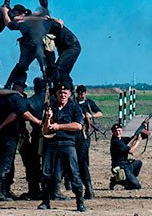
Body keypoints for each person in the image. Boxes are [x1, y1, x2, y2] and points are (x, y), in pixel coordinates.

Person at [38, 83, 86, 212]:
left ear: (69, 94)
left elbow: (78, 126)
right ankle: (45, 201)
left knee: (73, 172)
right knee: (46, 173)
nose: (62, 95)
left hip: (67, 143)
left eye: (65, 93)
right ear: (56, 94)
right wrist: (48, 118)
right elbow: (45, 131)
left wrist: (59, 126)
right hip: (51, 144)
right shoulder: (51, 108)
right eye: (60, 93)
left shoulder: (75, 108)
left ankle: (80, 202)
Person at [1, 5, 51, 90]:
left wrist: (4, 12)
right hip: (41, 46)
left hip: (29, 48)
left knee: (21, 67)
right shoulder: (42, 21)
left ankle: (8, 85)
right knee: (44, 67)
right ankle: (49, 86)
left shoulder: (24, 22)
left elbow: (10, 25)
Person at [75, 85, 102, 199]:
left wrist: (90, 115)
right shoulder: (72, 102)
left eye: (82, 93)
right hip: (72, 133)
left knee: (82, 161)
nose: (81, 95)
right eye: (79, 93)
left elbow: (100, 113)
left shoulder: (89, 103)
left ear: (85, 93)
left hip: (84, 135)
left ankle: (88, 188)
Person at [109, 122, 149, 190]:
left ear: (122, 131)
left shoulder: (122, 139)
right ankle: (122, 181)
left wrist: (143, 128)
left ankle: (125, 179)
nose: (118, 133)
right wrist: (138, 141)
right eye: (116, 131)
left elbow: (138, 137)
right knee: (137, 186)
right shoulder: (116, 142)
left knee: (138, 163)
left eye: (119, 131)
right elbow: (131, 151)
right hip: (120, 166)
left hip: (126, 164)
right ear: (113, 132)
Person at [45, 16, 81, 88]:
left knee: (59, 68)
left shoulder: (52, 25)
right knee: (62, 71)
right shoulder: (50, 26)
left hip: (71, 47)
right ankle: (65, 89)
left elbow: (58, 25)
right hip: (69, 47)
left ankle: (65, 89)